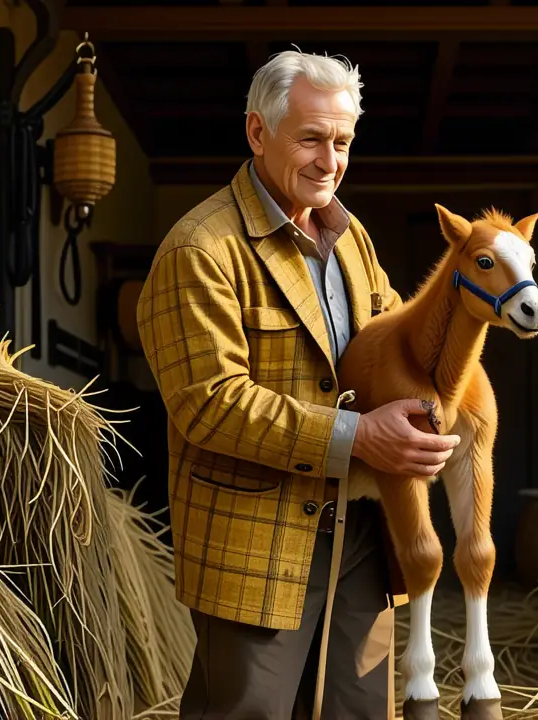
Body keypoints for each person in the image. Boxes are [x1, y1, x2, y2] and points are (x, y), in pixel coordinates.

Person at [135, 50, 461, 719]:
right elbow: (208, 405)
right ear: (258, 132)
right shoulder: (199, 248)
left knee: (360, 711)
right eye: (311, 139)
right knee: (248, 711)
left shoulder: (352, 238)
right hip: (257, 540)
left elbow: (395, 341)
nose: (329, 161)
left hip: (363, 532)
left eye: (343, 142)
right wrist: (360, 436)